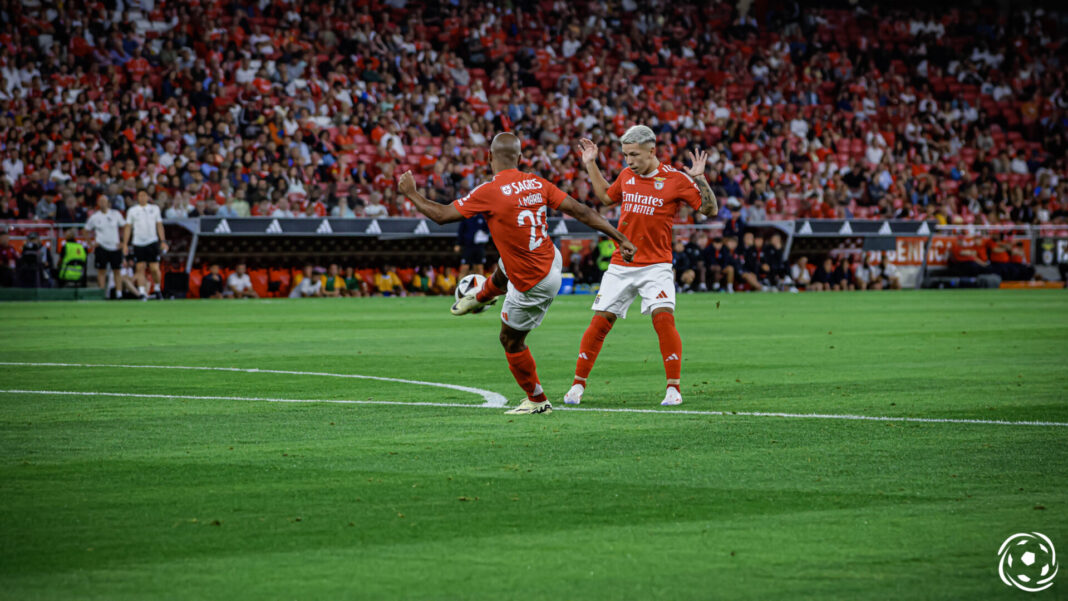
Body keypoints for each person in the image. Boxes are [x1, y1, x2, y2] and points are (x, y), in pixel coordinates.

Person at [398, 132, 635, 415]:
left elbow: (440, 215)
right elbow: (581, 211)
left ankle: (537, 400)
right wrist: (619, 237)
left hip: (533, 283)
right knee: (506, 262)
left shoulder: (488, 190)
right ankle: (481, 296)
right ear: (520, 159)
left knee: (510, 340)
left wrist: (411, 192)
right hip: (550, 259)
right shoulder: (537, 183)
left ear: (489, 158)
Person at [567, 126, 718, 407]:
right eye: (625, 155)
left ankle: (673, 389)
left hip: (657, 265)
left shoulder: (675, 179)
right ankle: (577, 386)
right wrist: (590, 163)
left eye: (633, 155)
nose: (628, 161)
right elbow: (605, 197)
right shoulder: (626, 176)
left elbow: (710, 210)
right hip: (621, 263)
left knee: (663, 319)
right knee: (600, 322)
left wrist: (700, 180)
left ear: (651, 151)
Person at [122, 189, 168, 301]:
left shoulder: (154, 209)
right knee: (140, 268)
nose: (142, 197)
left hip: (152, 241)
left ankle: (157, 289)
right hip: (138, 242)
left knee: (154, 269)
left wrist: (163, 241)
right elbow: (128, 227)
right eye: (140, 195)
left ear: (148, 197)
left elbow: (159, 225)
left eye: (144, 195)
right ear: (137, 197)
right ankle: (142, 292)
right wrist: (125, 244)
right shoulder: (132, 211)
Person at [84, 195, 126, 298]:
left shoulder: (115, 214)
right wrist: (90, 243)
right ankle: (102, 293)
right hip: (101, 246)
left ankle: (119, 293)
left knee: (117, 270)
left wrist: (123, 242)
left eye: (104, 201)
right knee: (101, 270)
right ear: (98, 203)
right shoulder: (95, 216)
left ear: (108, 203)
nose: (103, 203)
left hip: (115, 246)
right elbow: (85, 230)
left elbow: (124, 226)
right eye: (101, 201)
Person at [455, 213, 490, 278]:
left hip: (479, 246)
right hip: (468, 246)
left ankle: (479, 286)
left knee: (479, 267)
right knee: (465, 267)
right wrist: (458, 244)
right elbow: (460, 231)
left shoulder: (482, 217)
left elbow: (488, 229)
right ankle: (460, 286)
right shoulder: (466, 217)